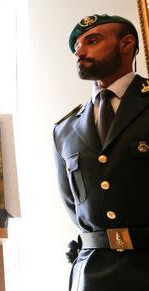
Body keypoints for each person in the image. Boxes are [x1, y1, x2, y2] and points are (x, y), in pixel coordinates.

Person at [53, 14, 149, 291]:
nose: (80, 52)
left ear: (127, 43)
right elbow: (73, 204)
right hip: (92, 272)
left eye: (92, 41)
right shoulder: (65, 129)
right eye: (76, 48)